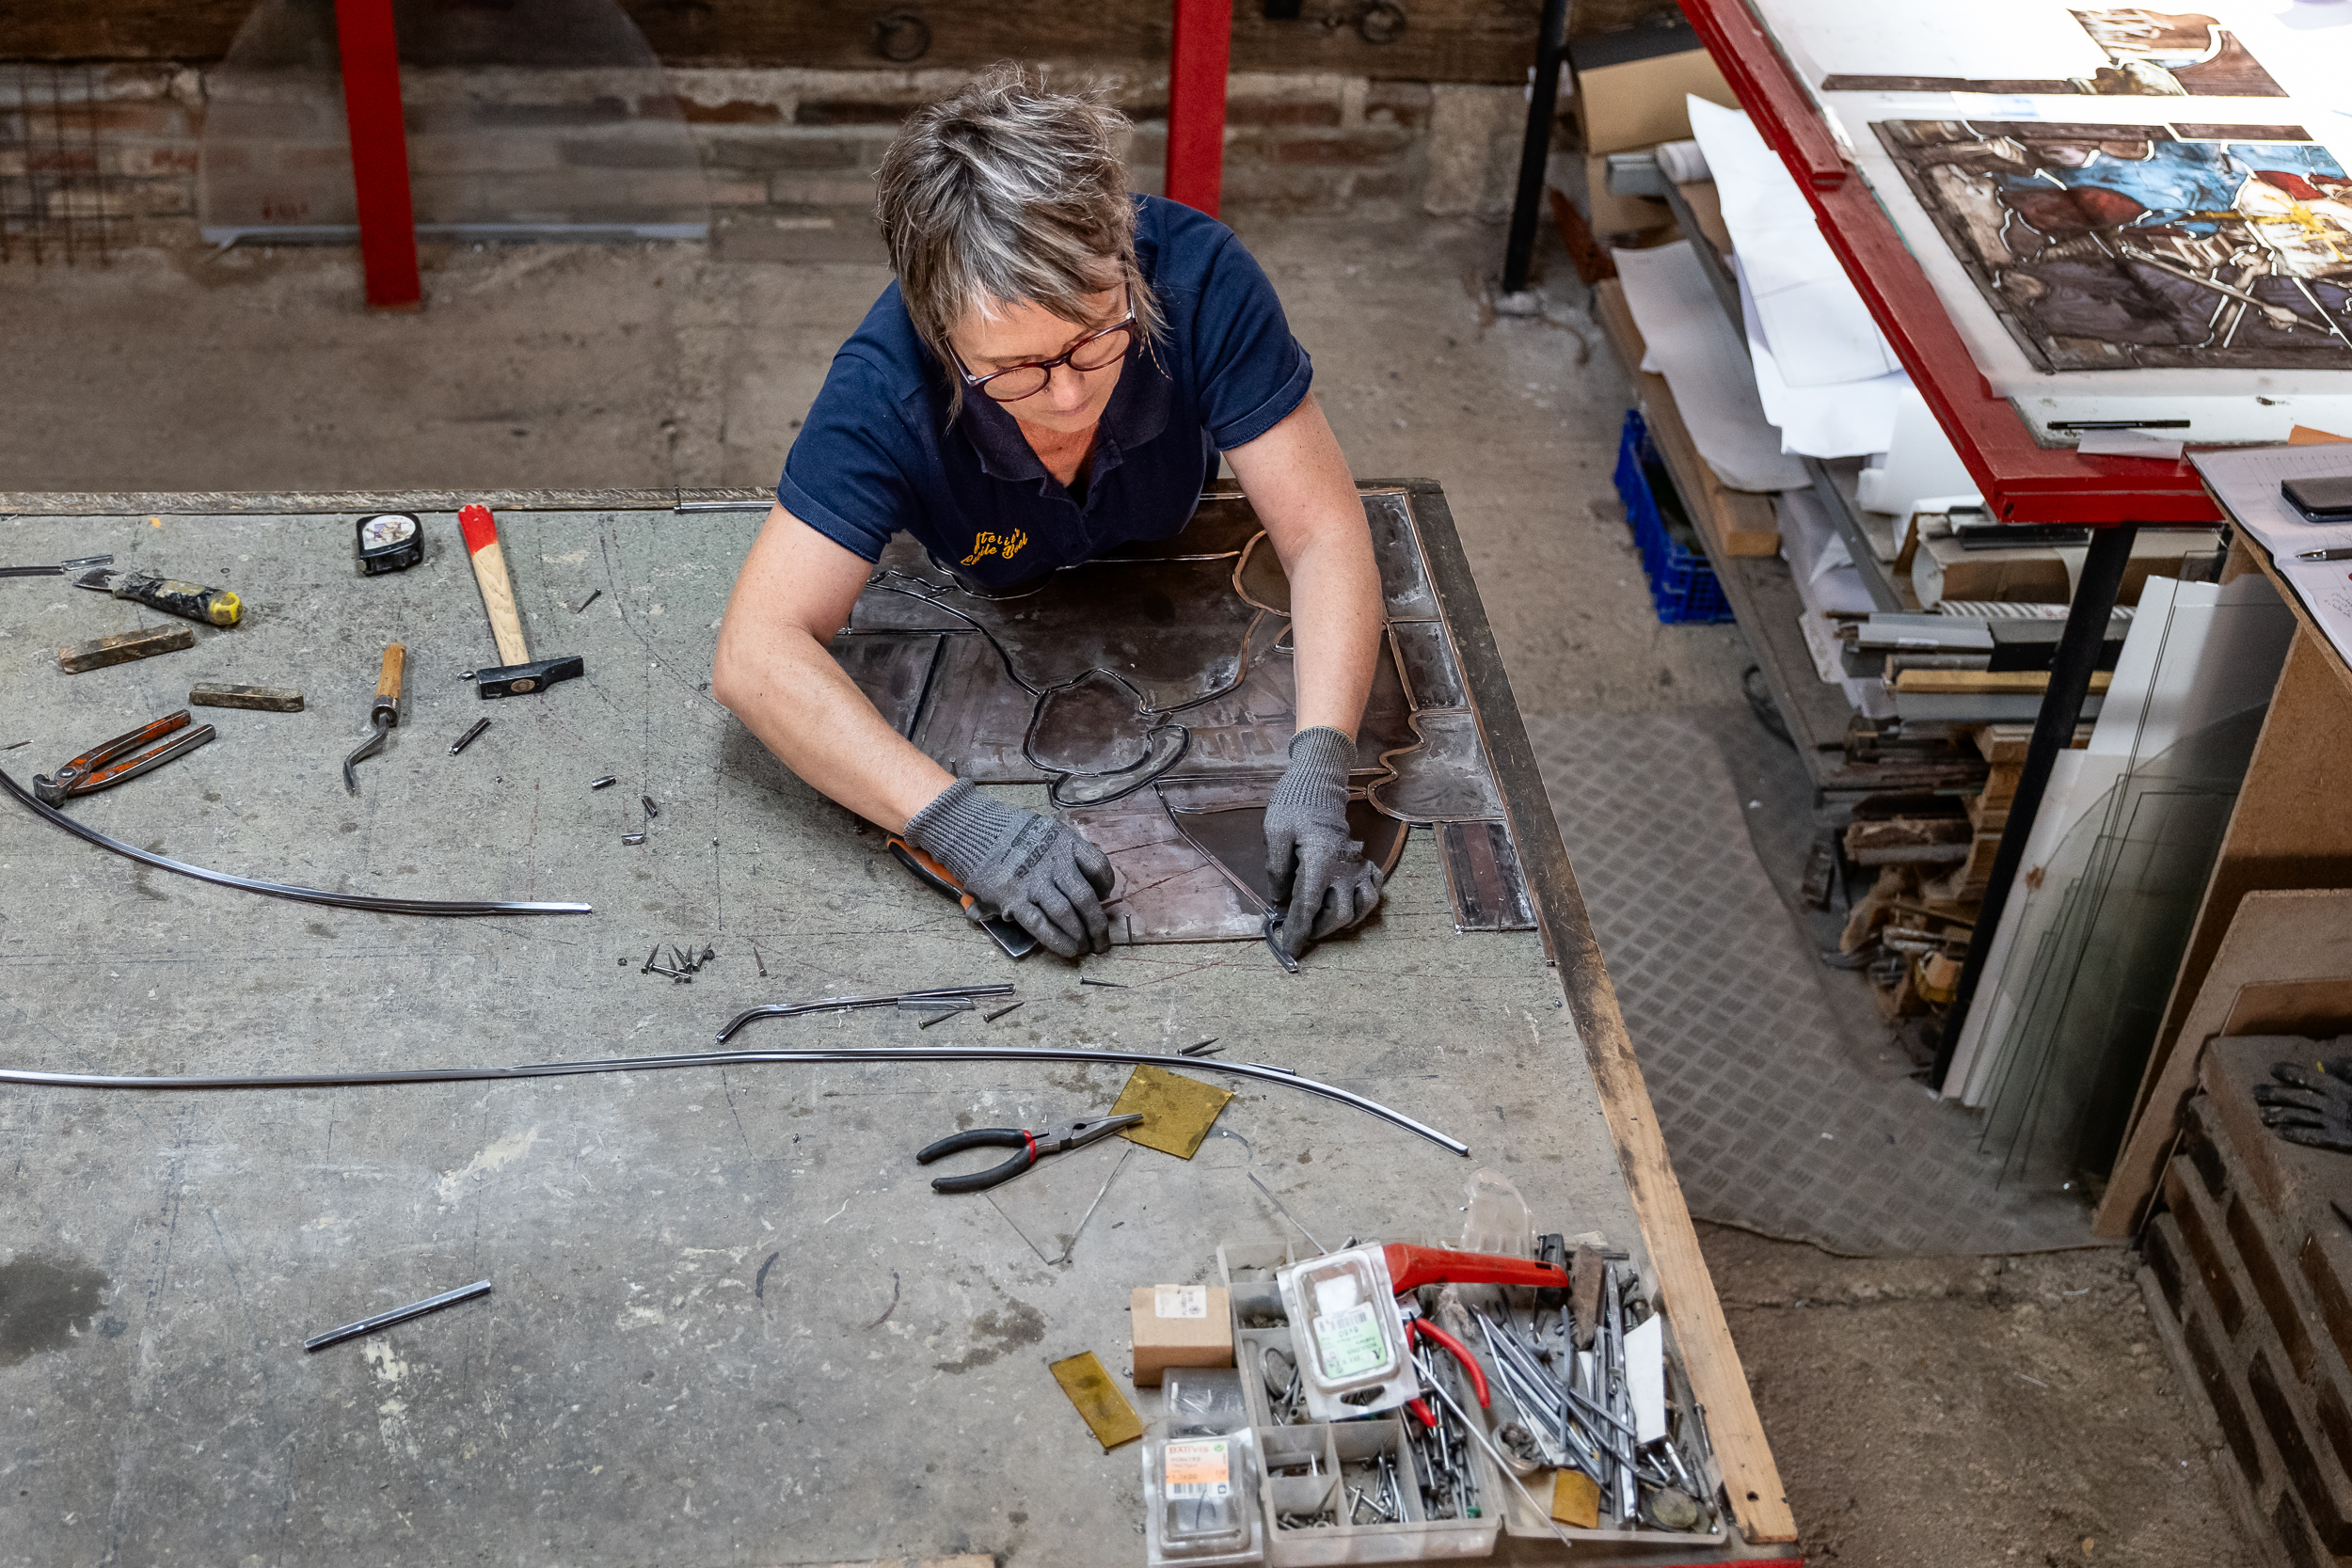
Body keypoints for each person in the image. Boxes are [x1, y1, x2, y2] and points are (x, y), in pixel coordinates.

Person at [712, 66, 1385, 961]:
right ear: (940, 330)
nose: (1068, 395)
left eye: (1094, 338)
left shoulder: (1203, 280)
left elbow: (1323, 533)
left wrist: (1319, 764)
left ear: (1124, 259)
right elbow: (757, 655)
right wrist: (958, 826)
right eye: (1018, 370)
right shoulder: (885, 389)